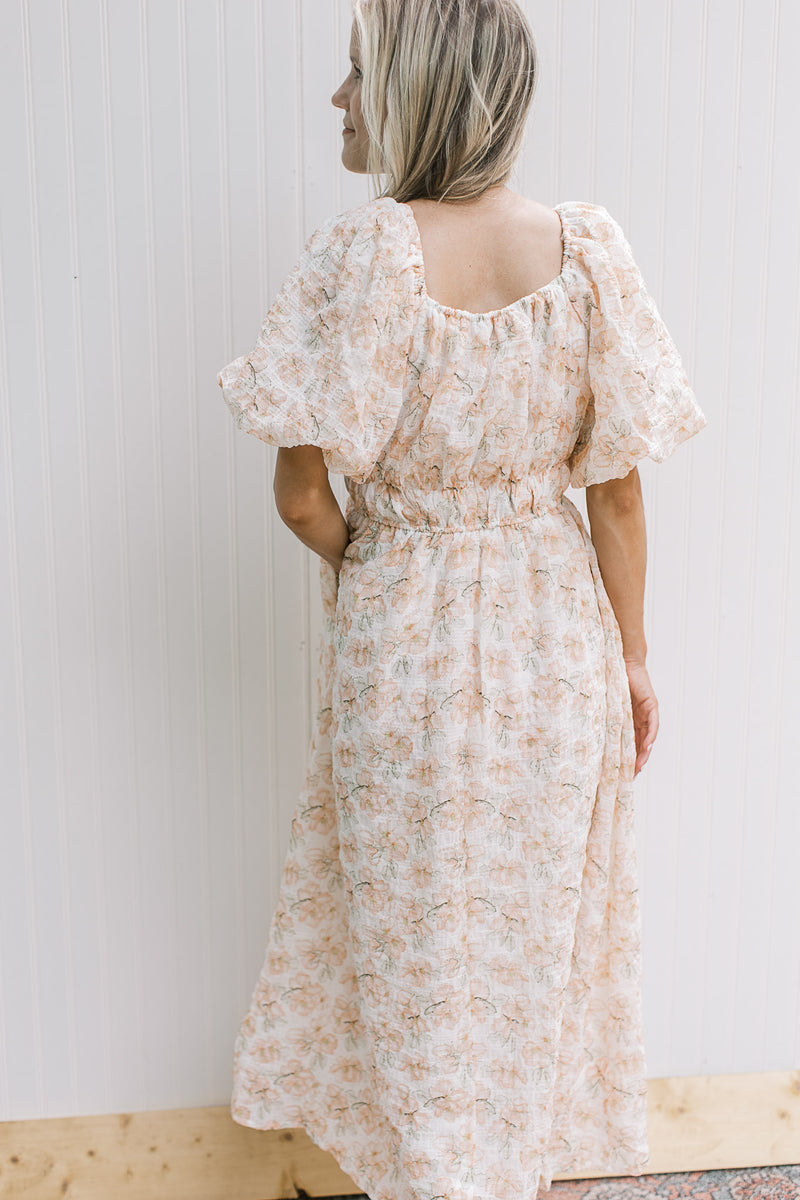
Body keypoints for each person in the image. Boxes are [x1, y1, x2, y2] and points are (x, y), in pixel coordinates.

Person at [216, 0, 708, 1197]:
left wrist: (384, 559)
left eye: (353, 76)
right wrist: (632, 660)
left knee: (417, 958)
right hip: (557, 646)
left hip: (406, 651)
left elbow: (299, 495)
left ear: (416, 90)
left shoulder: (362, 255)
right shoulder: (587, 250)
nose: (337, 101)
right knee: (529, 955)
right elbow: (617, 496)